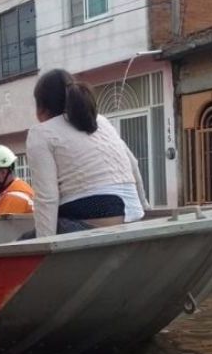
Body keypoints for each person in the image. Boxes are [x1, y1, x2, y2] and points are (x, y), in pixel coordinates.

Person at [25, 69, 149, 238]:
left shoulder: (41, 133)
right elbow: (133, 163)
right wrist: (146, 212)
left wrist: (44, 248)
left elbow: (48, 198)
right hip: (133, 216)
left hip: (92, 221)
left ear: (41, 106)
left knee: (24, 241)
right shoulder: (101, 121)